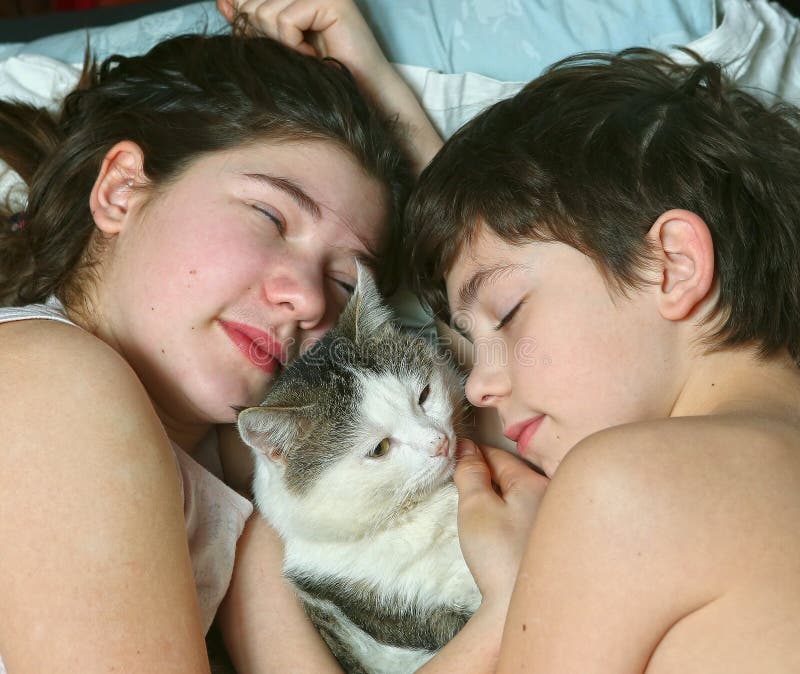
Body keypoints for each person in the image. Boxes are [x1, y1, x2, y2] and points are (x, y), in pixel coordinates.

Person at [0, 23, 425, 672]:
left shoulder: (229, 485)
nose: (311, 301)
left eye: (345, 281)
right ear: (120, 191)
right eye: (271, 217)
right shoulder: (50, 379)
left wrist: (381, 83)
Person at [403, 47, 800, 671]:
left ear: (672, 264)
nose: (477, 385)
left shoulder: (625, 485)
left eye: (506, 313)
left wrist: (507, 607)